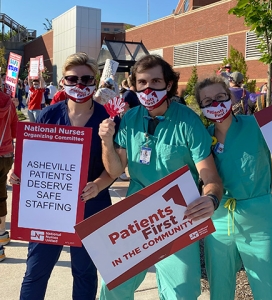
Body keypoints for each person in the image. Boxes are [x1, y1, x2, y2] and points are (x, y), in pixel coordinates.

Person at [98, 54, 223, 300]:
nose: (148, 88)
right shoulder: (130, 119)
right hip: (136, 213)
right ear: (133, 86)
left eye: (155, 81)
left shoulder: (188, 121)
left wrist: (211, 198)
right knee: (114, 286)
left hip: (177, 214)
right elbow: (115, 170)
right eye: (142, 83)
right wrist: (106, 142)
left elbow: (209, 175)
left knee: (183, 290)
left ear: (168, 84)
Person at [9, 52, 120, 300]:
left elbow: (115, 168)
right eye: (72, 79)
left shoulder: (108, 118)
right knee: (36, 269)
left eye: (86, 78)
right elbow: (31, 155)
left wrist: (99, 185)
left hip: (92, 203)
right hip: (50, 205)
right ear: (63, 82)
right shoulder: (49, 114)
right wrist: (15, 171)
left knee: (85, 273)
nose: (79, 84)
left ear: (95, 81)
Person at [195, 75, 272, 300]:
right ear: (201, 107)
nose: (215, 104)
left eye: (220, 97)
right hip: (219, 222)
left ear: (230, 97)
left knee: (270, 288)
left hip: (260, 222)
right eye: (207, 101)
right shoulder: (203, 139)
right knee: (220, 288)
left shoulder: (257, 126)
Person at [0, 91, 18, 261]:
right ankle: (2, 234)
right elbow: (15, 131)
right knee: (1, 195)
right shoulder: (9, 103)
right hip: (5, 155)